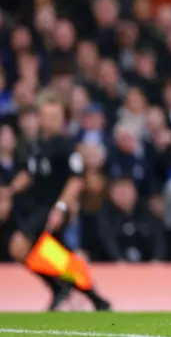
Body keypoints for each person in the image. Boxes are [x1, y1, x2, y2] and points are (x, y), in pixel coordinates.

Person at [8, 91, 110, 311]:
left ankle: (59, 288)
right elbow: (28, 174)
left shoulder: (65, 145)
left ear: (62, 119)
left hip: (51, 208)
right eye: (47, 115)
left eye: (56, 116)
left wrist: (61, 207)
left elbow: (76, 179)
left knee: (19, 246)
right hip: (36, 207)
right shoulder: (37, 145)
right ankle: (95, 299)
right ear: (40, 117)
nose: (51, 120)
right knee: (59, 257)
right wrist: (8, 191)